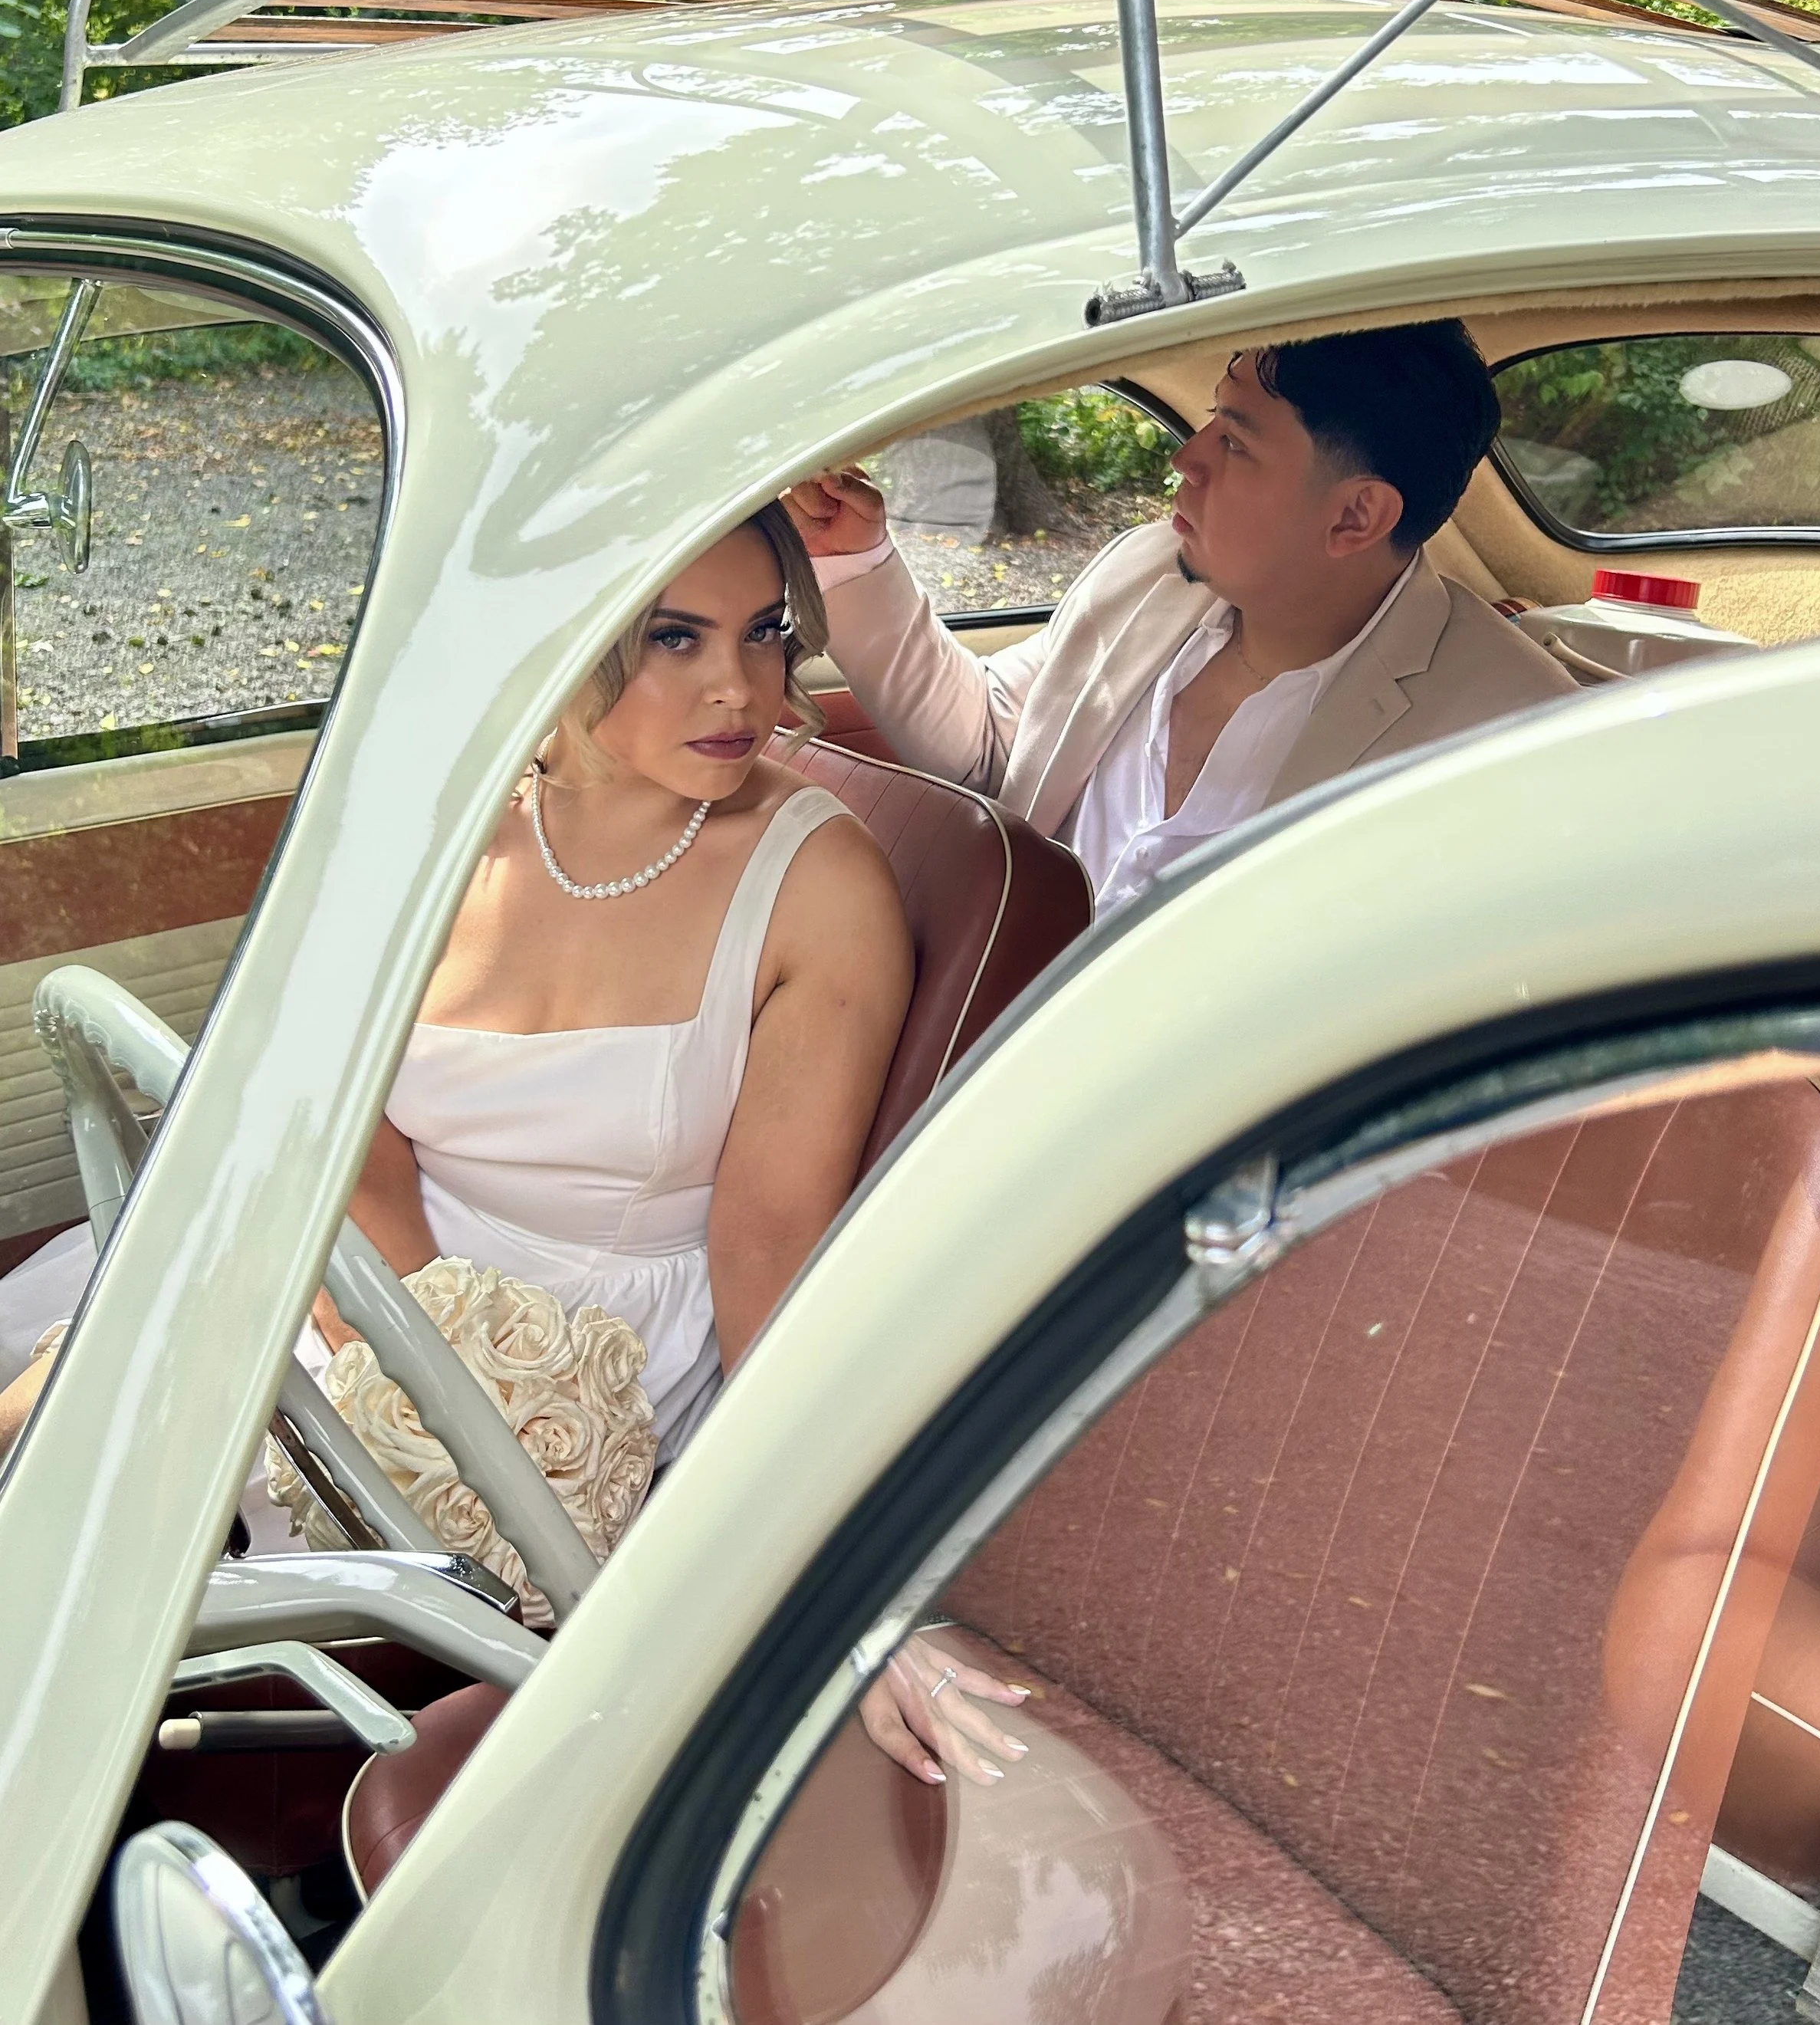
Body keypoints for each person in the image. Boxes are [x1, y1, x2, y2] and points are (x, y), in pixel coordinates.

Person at [0, 504, 915, 1486]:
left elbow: (769, 1241)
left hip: (570, 1364)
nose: (737, 688)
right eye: (673, 637)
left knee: (79, 1488)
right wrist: (388, 1333)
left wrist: (779, 1514)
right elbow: (351, 1123)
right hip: (359, 1254)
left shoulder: (820, 884)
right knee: (50, 1419)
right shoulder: (450, 809)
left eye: (763, 633)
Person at [786, 323, 1576, 916]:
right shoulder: (1148, 572)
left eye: (1233, 441)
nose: (1184, 458)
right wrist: (858, 564)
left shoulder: (1507, 740)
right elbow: (996, 752)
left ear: (1355, 516)